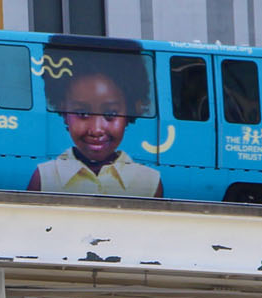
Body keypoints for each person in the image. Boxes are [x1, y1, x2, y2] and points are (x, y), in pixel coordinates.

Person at [25, 43, 163, 198]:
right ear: (63, 110)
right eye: (82, 113)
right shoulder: (44, 176)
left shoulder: (149, 182)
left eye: (110, 113)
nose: (96, 129)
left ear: (130, 111)